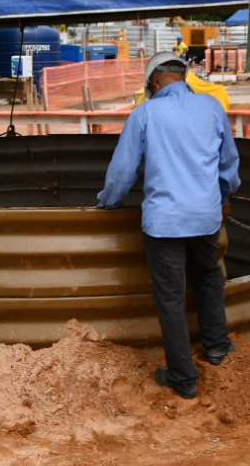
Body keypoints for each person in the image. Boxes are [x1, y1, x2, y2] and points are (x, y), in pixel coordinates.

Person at [97, 51, 241, 400]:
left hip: (164, 223)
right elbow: (229, 166)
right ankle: (217, 346)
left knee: (171, 296)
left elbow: (123, 171)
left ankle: (183, 378)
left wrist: (109, 202)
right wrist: (221, 197)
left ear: (156, 82)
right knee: (209, 276)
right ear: (182, 76)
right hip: (206, 217)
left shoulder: (145, 113)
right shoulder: (211, 108)